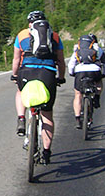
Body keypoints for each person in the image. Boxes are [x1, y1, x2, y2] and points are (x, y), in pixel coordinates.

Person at [10, 10, 66, 163]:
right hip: (47, 74)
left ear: (30, 23)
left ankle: (21, 118)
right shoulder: (54, 36)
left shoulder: (22, 35)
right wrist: (61, 78)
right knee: (47, 115)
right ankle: (46, 152)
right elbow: (61, 61)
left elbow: (16, 60)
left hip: (26, 72)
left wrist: (15, 75)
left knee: (20, 91)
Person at [68, 34, 105, 129]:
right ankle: (97, 97)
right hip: (94, 71)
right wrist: (104, 73)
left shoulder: (77, 49)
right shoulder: (97, 49)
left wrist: (72, 73)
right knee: (99, 82)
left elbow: (71, 64)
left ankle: (78, 119)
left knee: (78, 94)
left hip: (80, 72)